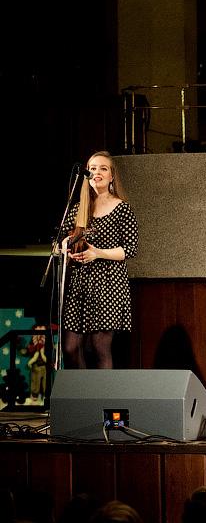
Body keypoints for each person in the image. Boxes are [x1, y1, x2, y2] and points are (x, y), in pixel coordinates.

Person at [59, 151, 139, 369]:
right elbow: (63, 241)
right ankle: (85, 398)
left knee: (99, 346)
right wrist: (66, 247)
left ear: (112, 176)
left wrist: (97, 253)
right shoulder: (78, 209)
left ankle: (103, 401)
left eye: (103, 168)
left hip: (108, 283)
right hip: (80, 284)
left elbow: (130, 249)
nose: (96, 172)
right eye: (92, 168)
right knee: (70, 347)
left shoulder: (122, 208)